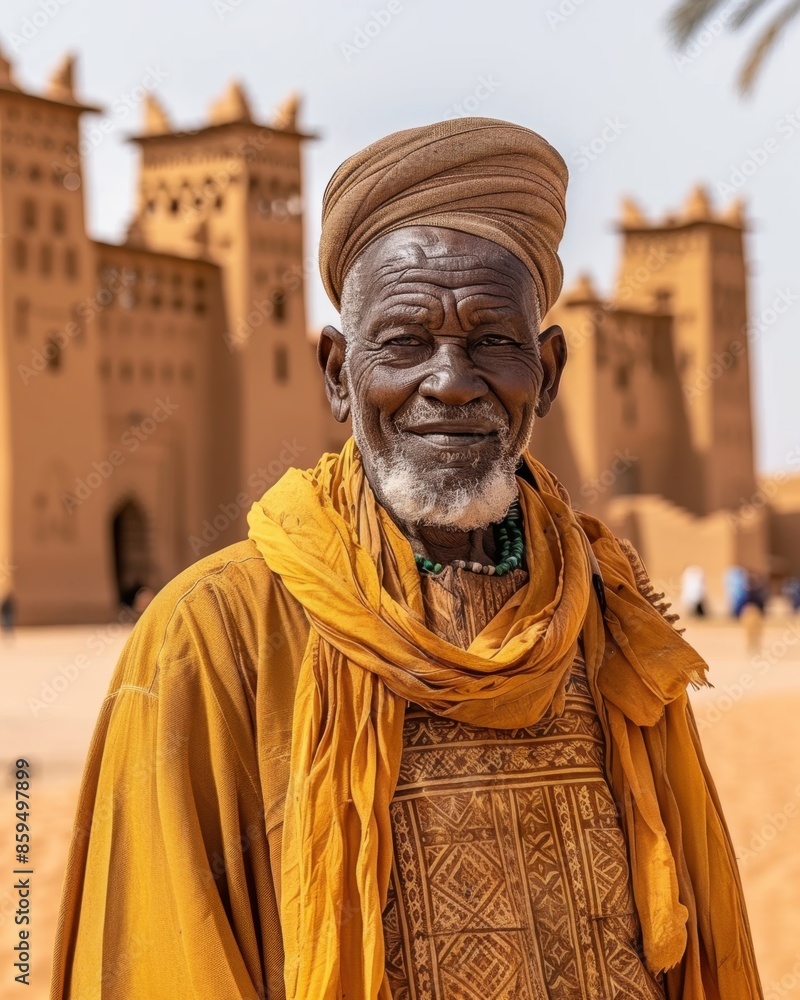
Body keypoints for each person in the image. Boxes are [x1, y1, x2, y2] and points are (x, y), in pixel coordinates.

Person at [51, 118, 762, 1000]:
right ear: (337, 374)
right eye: (406, 342)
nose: (452, 380)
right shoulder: (214, 639)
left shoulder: (606, 618)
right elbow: (166, 955)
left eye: (494, 341)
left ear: (548, 370)